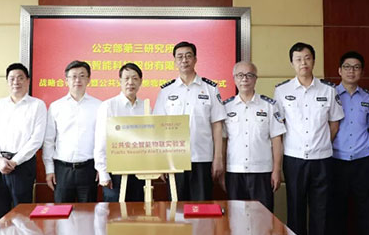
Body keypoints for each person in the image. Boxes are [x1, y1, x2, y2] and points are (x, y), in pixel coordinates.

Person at [273, 42, 344, 235]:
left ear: (313, 60)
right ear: (292, 63)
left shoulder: (328, 90)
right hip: (294, 159)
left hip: (322, 159)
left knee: (321, 211)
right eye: (298, 59)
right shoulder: (282, 91)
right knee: (295, 209)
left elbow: (334, 123)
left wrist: (321, 143)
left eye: (307, 58)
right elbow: (278, 126)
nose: (303, 63)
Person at [153, 41, 226, 201]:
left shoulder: (210, 88)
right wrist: (161, 161)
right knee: (176, 209)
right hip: (174, 160)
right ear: (174, 61)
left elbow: (217, 126)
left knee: (202, 207)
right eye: (180, 57)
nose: (184, 60)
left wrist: (218, 158)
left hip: (202, 158)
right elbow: (159, 128)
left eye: (188, 56)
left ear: (195, 59)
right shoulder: (166, 91)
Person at [327, 51, 369, 235]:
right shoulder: (329, 95)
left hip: (362, 162)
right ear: (339, 70)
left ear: (362, 72)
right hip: (336, 161)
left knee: (366, 215)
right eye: (347, 66)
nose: (351, 71)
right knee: (336, 215)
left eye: (356, 67)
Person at [0, 63, 47, 223]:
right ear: (7, 81)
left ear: (28, 81)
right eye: (11, 78)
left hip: (22, 166)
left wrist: (15, 161)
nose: (16, 82)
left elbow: (36, 139)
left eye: (20, 78)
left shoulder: (37, 105)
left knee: (22, 217)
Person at [222, 61, 285, 213]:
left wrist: (277, 170)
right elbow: (223, 141)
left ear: (256, 79)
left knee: (263, 217)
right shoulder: (225, 107)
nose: (244, 79)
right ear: (234, 79)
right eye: (240, 75)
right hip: (234, 171)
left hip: (262, 171)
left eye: (249, 75)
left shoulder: (269, 106)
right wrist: (223, 171)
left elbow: (277, 139)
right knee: (235, 217)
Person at [43, 60, 102, 203]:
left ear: (88, 79)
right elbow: (49, 141)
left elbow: (103, 140)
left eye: (82, 76)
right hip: (62, 170)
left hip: (89, 169)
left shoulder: (99, 106)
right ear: (66, 80)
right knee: (61, 213)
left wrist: (101, 168)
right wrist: (49, 170)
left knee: (88, 213)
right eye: (73, 76)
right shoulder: (56, 107)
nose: (77, 80)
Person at [94, 63, 149, 202]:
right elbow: (101, 141)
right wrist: (103, 172)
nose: (130, 82)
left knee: (137, 211)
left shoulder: (145, 107)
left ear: (141, 81)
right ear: (120, 81)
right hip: (115, 172)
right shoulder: (108, 106)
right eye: (126, 78)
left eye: (135, 78)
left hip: (139, 171)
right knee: (115, 212)